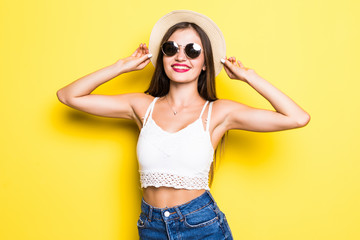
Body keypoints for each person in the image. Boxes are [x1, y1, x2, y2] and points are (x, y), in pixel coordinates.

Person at [57, 10, 310, 240]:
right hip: (151, 226)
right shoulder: (142, 106)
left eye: (192, 50)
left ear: (206, 63)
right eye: (171, 48)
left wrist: (249, 77)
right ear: (163, 56)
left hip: (202, 226)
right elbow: (68, 96)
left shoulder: (219, 112)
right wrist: (120, 67)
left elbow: (297, 118)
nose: (181, 56)